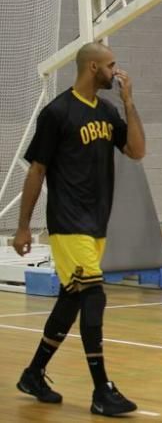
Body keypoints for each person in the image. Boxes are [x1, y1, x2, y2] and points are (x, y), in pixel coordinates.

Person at [13, 42, 145, 416]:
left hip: (96, 221)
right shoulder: (57, 113)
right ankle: (102, 389)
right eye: (110, 66)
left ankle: (34, 373)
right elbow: (37, 171)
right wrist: (24, 227)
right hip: (68, 222)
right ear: (92, 68)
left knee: (71, 300)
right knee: (93, 295)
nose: (115, 71)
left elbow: (136, 151)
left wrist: (129, 103)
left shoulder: (107, 110)